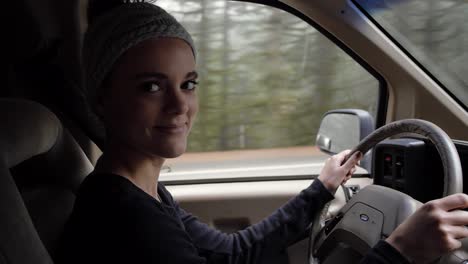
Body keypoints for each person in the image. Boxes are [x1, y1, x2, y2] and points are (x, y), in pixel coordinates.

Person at [57, 1, 468, 263]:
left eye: (188, 83)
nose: (179, 105)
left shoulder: (143, 194)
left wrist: (321, 189)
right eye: (151, 86)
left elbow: (236, 252)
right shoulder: (123, 218)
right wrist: (400, 252)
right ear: (101, 99)